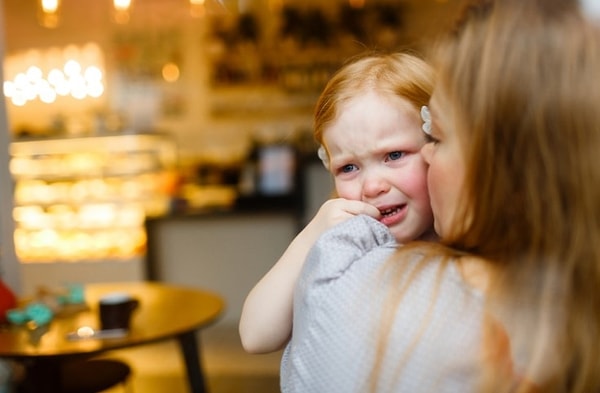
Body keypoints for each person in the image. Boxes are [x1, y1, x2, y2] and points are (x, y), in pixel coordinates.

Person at [279, 0, 600, 392]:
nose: (428, 154)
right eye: (348, 167)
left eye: (437, 137)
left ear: (506, 170)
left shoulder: (354, 290)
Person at [239, 52, 437, 354]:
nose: (372, 186)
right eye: (349, 168)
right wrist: (309, 238)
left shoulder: (469, 239)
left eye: (394, 155)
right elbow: (255, 336)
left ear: (438, 143)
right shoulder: (347, 244)